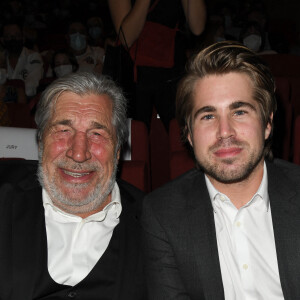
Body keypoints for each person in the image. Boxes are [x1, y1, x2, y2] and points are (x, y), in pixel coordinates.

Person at [142, 41, 300, 299]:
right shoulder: (162, 213)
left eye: (239, 112)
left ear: (268, 123)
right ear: (189, 134)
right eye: (207, 116)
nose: (224, 131)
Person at [0, 72, 146, 299]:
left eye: (97, 133)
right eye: (63, 130)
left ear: (118, 151)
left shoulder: (156, 225)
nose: (78, 153)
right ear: (40, 141)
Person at [108, 0, 206, 130]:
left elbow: (197, 27)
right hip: (134, 76)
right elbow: (126, 37)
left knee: (182, 132)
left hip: (172, 70)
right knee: (136, 137)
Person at [1, 21, 43, 98]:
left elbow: (31, 88)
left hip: (26, 104)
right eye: (8, 36)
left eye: (17, 35)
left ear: (23, 38)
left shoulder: (33, 57)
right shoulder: (1, 58)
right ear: (2, 40)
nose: (13, 39)